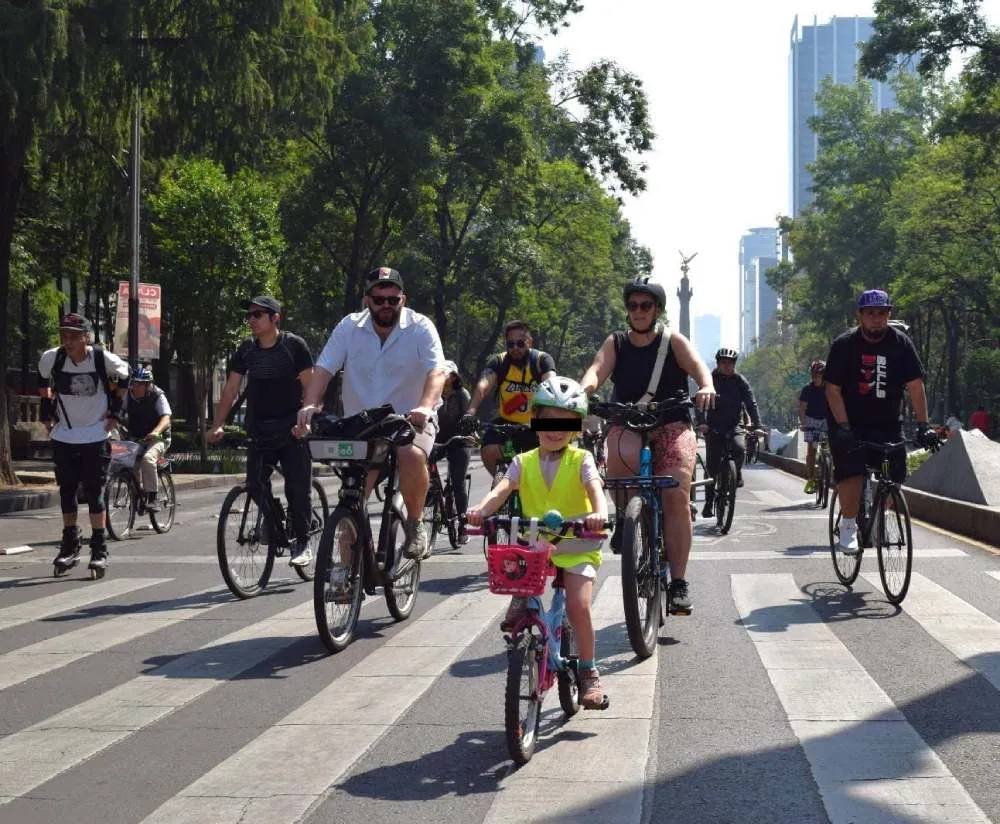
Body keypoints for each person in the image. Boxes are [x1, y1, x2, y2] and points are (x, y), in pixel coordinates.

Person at [466, 376, 609, 709]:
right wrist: (481, 511)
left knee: (578, 606)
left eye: (565, 423)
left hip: (578, 544)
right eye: (547, 420)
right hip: (537, 545)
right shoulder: (522, 461)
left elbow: (595, 491)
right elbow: (501, 491)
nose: (554, 430)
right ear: (535, 419)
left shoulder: (582, 459)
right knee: (516, 565)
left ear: (576, 426)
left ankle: (588, 671)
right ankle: (522, 600)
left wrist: (599, 515)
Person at [580, 275, 716, 614]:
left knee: (675, 495)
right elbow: (596, 370)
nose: (638, 311)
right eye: (633, 306)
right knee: (619, 466)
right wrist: (583, 393)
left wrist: (706, 385)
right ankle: (626, 518)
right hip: (626, 420)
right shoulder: (616, 343)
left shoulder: (672, 341)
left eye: (646, 305)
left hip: (671, 421)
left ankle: (679, 582)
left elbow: (698, 367)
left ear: (657, 310)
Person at [296, 266, 447, 561]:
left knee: (411, 455)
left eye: (393, 299)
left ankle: (415, 525)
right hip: (363, 425)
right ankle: (344, 577)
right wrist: (309, 405)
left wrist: (425, 407)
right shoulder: (349, 327)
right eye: (380, 299)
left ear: (403, 299)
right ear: (367, 300)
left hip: (409, 418)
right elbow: (324, 369)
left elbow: (436, 371)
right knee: (351, 499)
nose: (387, 305)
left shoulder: (420, 327)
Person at [825, 289, 939, 554]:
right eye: (871, 314)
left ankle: (876, 516)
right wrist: (842, 427)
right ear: (861, 316)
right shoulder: (844, 345)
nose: (877, 319)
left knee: (896, 474)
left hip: (887, 422)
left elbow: (915, 385)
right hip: (849, 422)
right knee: (851, 470)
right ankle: (849, 526)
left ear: (889, 314)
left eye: (882, 313)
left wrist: (924, 425)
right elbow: (832, 390)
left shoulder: (900, 344)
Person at [207, 296, 316, 567]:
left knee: (297, 486)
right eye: (250, 315)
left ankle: (302, 540)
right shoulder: (246, 350)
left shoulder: (293, 346)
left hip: (291, 428)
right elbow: (230, 390)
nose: (251, 320)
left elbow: (311, 386)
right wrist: (218, 424)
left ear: (275, 318)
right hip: (259, 427)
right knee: (255, 484)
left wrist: (305, 421)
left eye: (258, 315)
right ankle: (274, 519)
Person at [38, 312, 130, 573]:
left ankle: (99, 548)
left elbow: (126, 377)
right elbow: (43, 381)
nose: (68, 341)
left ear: (85, 338)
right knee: (66, 491)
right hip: (64, 434)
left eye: (74, 336)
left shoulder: (102, 359)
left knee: (94, 492)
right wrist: (46, 414)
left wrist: (115, 413)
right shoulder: (52, 358)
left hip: (95, 434)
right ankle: (69, 544)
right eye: (65, 335)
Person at [462, 320, 556, 475]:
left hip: (535, 424)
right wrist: (470, 412)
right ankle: (503, 487)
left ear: (530, 342)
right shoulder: (499, 362)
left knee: (547, 465)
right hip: (507, 424)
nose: (515, 349)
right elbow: (483, 385)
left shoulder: (541, 360)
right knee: (489, 449)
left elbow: (551, 386)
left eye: (520, 343)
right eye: (510, 344)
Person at [699, 348, 765, 516]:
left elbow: (751, 403)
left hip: (735, 425)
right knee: (712, 467)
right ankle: (708, 503)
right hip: (713, 427)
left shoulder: (740, 381)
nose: (727, 366)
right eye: (723, 363)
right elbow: (700, 403)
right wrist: (702, 423)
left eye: (730, 363)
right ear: (718, 364)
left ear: (734, 365)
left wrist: (758, 425)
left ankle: (737, 473)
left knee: (739, 448)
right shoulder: (710, 379)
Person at [124, 365, 172, 511]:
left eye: (139, 384)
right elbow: (116, 412)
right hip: (136, 438)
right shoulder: (127, 396)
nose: (135, 387)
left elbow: (166, 418)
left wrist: (156, 432)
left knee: (147, 459)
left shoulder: (158, 396)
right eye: (134, 383)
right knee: (126, 463)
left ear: (148, 385)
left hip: (159, 438)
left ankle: (152, 497)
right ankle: (138, 493)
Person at [435, 360, 473, 543]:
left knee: (457, 483)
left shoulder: (461, 394)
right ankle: (431, 496)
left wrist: (467, 432)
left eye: (449, 373)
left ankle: (462, 525)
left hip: (459, 441)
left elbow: (468, 417)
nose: (445, 376)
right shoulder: (433, 391)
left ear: (455, 376)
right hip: (438, 440)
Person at [798, 359, 828, 494]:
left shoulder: (830, 388)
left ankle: (829, 466)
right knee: (811, 451)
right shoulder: (807, 389)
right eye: (814, 375)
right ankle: (811, 479)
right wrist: (804, 423)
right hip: (811, 420)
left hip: (827, 419)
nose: (816, 377)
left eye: (819, 374)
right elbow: (802, 409)